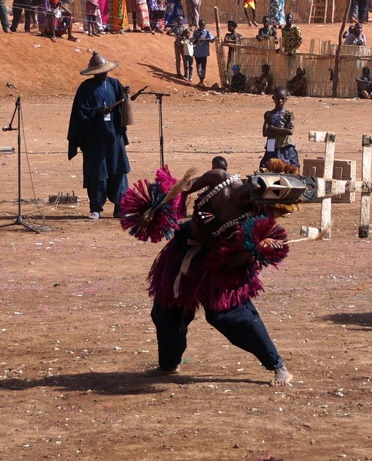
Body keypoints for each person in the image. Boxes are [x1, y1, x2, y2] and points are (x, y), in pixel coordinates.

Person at [123, 163, 294, 386]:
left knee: (229, 316)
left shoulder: (255, 219)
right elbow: (180, 192)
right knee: (167, 312)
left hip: (218, 264)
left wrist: (256, 250)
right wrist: (155, 210)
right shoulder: (218, 178)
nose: (264, 209)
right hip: (183, 250)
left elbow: (234, 263)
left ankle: (277, 366)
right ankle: (167, 364)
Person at [67, 52, 131, 220]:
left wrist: (125, 94)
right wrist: (97, 111)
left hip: (113, 136)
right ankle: (96, 208)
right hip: (94, 139)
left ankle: (120, 207)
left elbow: (122, 106)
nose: (104, 74)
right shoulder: (85, 88)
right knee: (97, 172)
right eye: (100, 71)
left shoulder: (114, 84)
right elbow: (80, 111)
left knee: (118, 170)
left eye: (105, 71)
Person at [259, 87, 299, 170]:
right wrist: (282, 131)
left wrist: (272, 128)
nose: (280, 101)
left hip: (285, 145)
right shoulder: (269, 114)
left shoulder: (288, 114)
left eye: (282, 98)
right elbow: (265, 133)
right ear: (273, 98)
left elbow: (290, 132)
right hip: (271, 144)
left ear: (286, 99)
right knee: (267, 165)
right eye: (277, 98)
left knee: (287, 166)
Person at [192, 20, 217, 88]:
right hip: (197, 52)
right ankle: (200, 78)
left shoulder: (207, 32)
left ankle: (202, 79)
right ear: (199, 25)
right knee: (198, 66)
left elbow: (212, 40)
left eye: (203, 25)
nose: (202, 26)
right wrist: (199, 35)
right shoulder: (196, 32)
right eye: (201, 25)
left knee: (203, 66)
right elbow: (193, 42)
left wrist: (213, 38)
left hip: (204, 52)